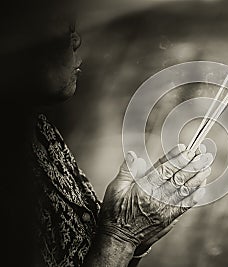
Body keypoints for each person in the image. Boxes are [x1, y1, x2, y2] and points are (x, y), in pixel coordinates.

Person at [0, 1, 212, 266]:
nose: (76, 40)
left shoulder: (36, 129)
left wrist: (136, 236)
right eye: (61, 23)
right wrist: (121, 237)